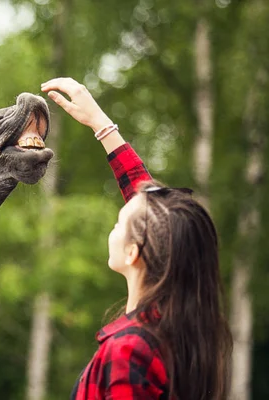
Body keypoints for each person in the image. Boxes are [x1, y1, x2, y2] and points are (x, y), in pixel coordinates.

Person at [40, 77, 232, 400]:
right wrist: (99, 123)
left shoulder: (130, 350)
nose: (113, 226)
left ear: (133, 252)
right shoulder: (175, 334)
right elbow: (157, 217)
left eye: (119, 222)